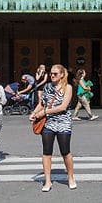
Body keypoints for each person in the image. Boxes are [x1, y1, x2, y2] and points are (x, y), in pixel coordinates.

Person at [30, 64, 77, 192]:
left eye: (55, 73)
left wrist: (44, 112)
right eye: (51, 73)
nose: (52, 75)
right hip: (49, 123)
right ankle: (47, 181)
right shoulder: (47, 87)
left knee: (65, 151)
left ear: (62, 74)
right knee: (46, 152)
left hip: (63, 122)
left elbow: (63, 107)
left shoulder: (68, 87)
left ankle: (71, 177)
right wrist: (34, 113)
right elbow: (42, 103)